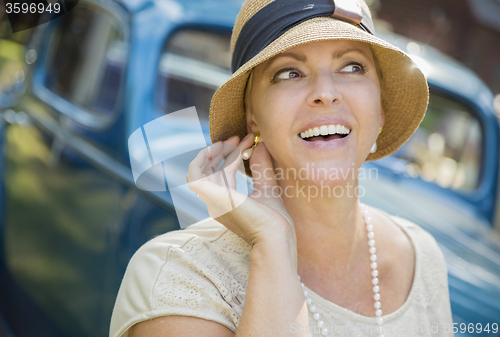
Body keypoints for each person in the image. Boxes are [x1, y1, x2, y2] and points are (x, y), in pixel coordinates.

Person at [109, 0, 454, 336]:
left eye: (352, 66)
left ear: (379, 110)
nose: (325, 93)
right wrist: (272, 240)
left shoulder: (421, 257)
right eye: (290, 72)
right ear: (252, 118)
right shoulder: (179, 276)